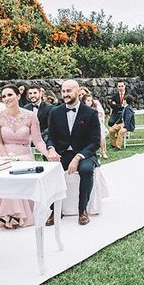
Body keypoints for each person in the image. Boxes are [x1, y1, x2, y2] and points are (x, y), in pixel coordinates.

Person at [0, 85, 54, 228]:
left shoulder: (31, 116)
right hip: (3, 155)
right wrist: (7, 158)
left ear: (18, 96)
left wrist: (49, 154)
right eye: (4, 96)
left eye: (10, 95)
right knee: (3, 175)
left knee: (16, 175)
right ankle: (7, 214)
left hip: (24, 154)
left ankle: (12, 215)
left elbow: (38, 141)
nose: (6, 99)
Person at [45, 80, 101, 225]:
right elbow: (50, 137)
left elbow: (95, 142)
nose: (65, 94)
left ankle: (82, 209)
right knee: (50, 170)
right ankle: (55, 210)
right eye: (63, 91)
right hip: (63, 153)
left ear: (77, 91)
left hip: (84, 153)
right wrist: (51, 149)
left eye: (69, 91)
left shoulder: (91, 113)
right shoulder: (55, 112)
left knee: (87, 170)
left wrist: (78, 157)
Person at [81, 90, 108, 158]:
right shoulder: (82, 108)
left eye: (90, 100)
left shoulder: (95, 105)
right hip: (86, 126)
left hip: (97, 123)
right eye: (88, 101)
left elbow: (101, 113)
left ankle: (103, 151)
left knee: (101, 134)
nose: (90, 102)